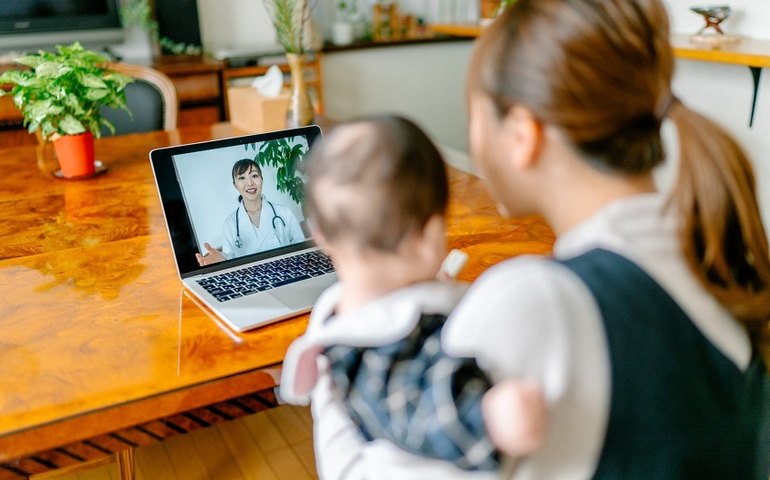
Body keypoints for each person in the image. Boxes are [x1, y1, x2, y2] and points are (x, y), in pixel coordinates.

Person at [312, 1, 770, 479]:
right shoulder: (717, 251)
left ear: (521, 134)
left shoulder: (538, 302)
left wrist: (339, 334)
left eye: (474, 114)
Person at [280, 115, 548, 479]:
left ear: (321, 235)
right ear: (430, 236)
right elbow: (424, 412)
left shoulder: (335, 312)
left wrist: (428, 289)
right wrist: (492, 419)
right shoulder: (380, 348)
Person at [195, 158, 305, 266]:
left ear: (262, 179)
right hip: (253, 281)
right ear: (235, 185)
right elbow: (231, 264)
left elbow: (302, 250)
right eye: (242, 178)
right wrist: (222, 260)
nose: (250, 183)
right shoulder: (229, 225)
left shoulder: (284, 213)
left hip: (287, 271)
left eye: (254, 176)